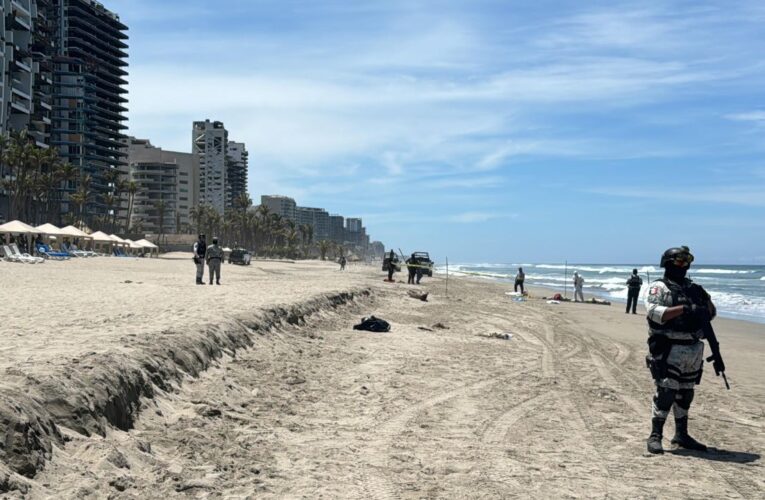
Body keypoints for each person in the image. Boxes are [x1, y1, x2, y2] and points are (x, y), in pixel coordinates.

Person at [644, 246, 716, 454]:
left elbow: (710, 313)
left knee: (686, 392)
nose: (683, 266)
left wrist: (706, 303)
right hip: (669, 346)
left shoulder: (693, 288)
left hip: (692, 347)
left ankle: (681, 434)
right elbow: (655, 313)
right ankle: (655, 434)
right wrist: (684, 309)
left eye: (687, 261)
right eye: (679, 261)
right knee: (666, 390)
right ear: (667, 263)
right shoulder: (659, 288)